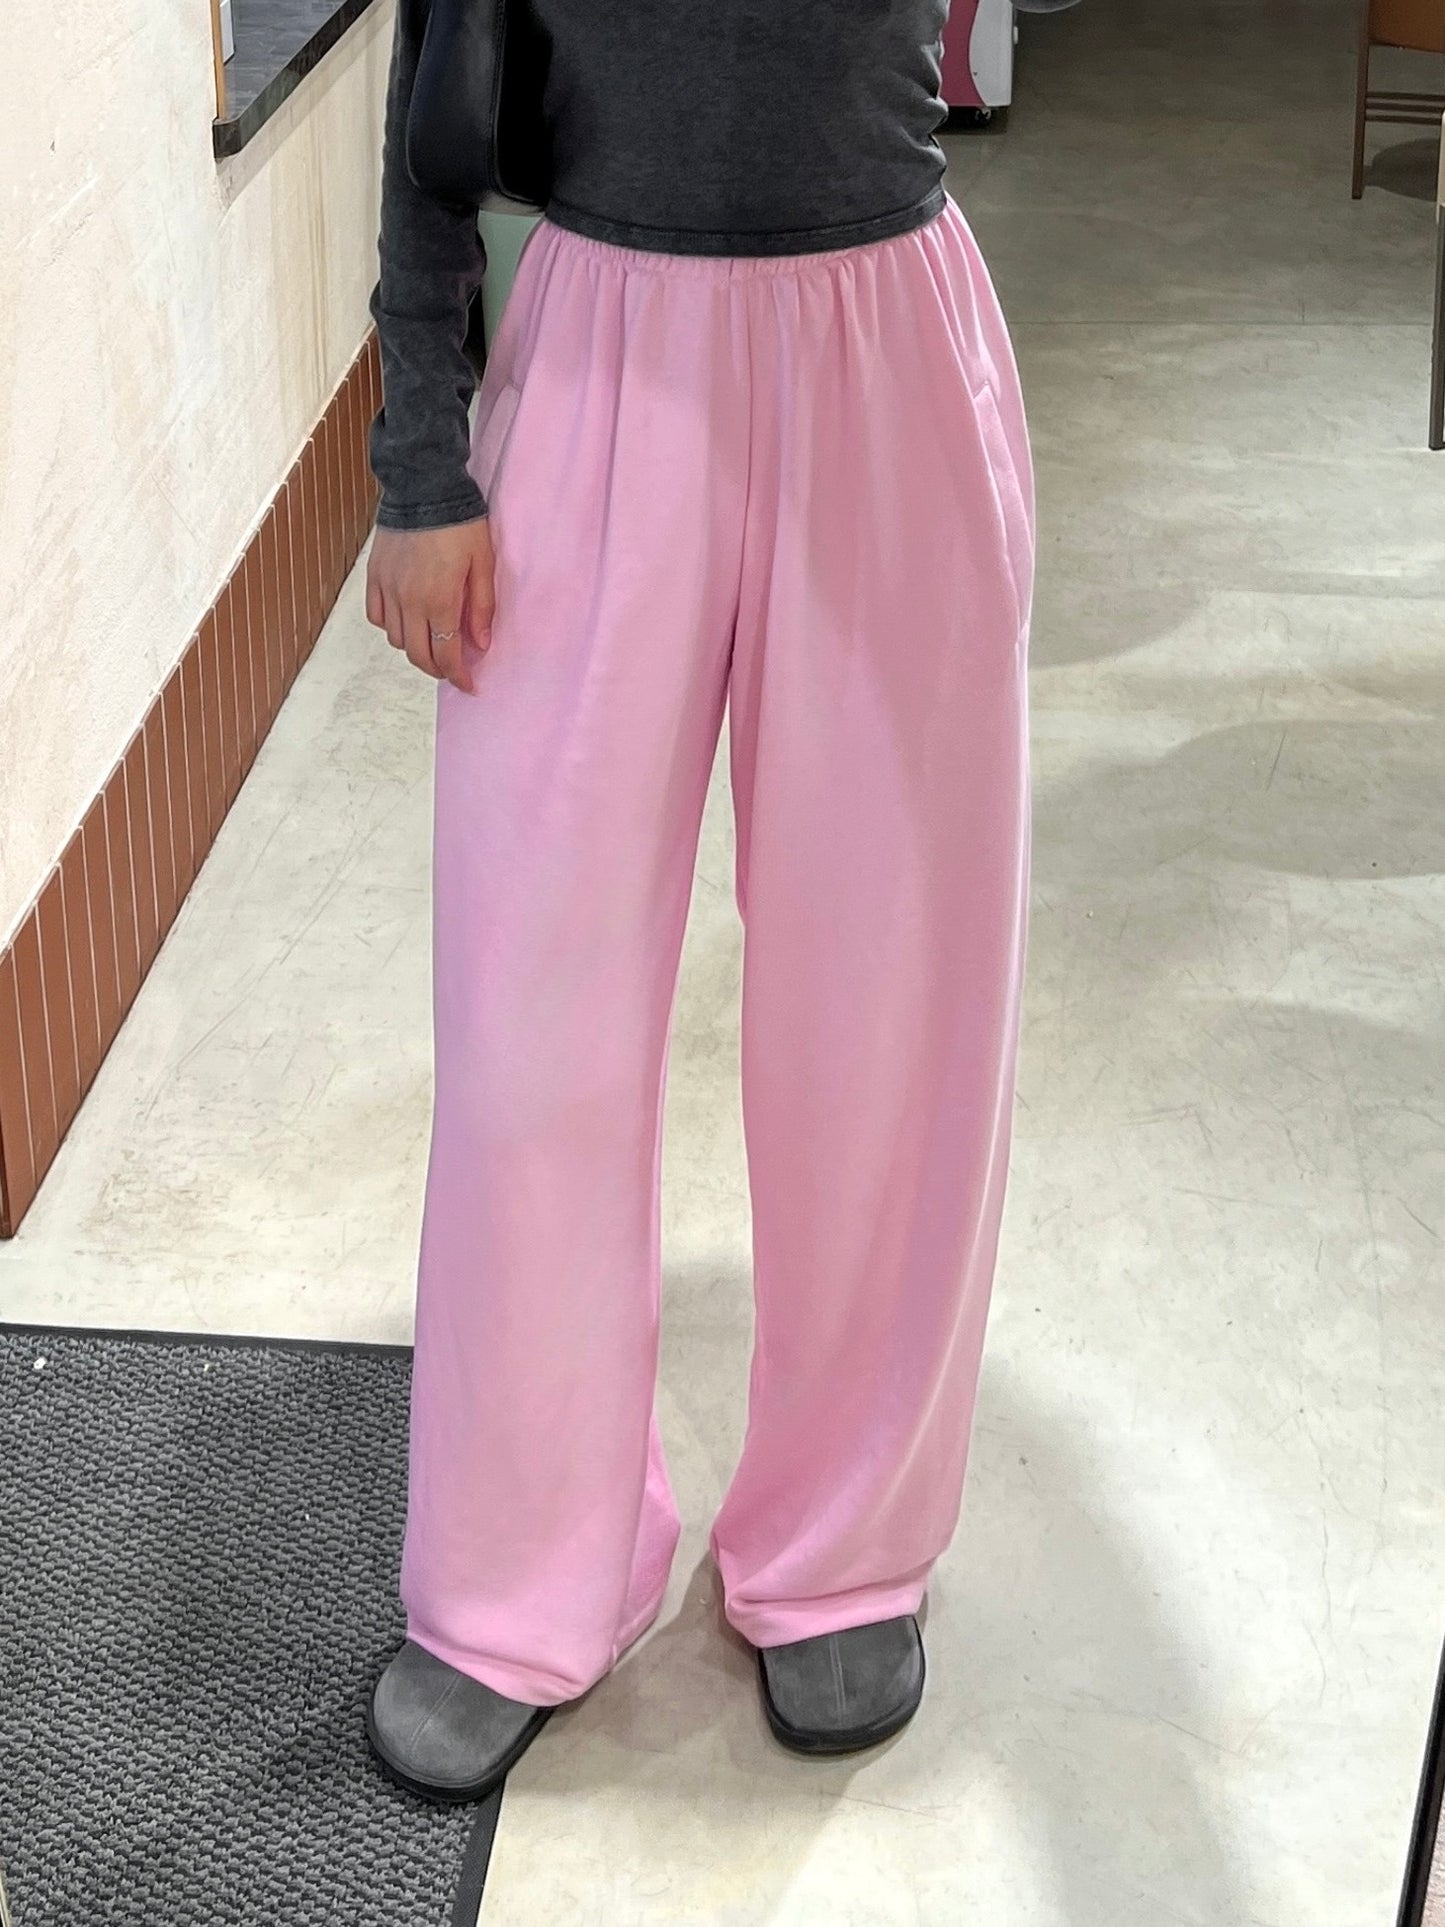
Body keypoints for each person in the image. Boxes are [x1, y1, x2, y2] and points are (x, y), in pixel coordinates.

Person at [363, 0, 1052, 1801]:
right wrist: (420, 460)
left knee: (892, 1009)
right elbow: (434, 111)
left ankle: (843, 1544)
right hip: (598, 346)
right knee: (528, 1023)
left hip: (885, 346)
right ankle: (519, 1571)